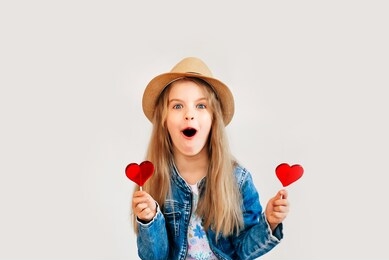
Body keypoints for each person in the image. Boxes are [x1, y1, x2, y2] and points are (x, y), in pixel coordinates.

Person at [131, 57, 289, 260]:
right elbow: (155, 257)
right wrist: (150, 219)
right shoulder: (152, 180)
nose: (189, 114)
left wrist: (270, 222)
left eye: (201, 106)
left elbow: (244, 251)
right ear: (164, 120)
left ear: (214, 120)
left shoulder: (237, 180)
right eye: (178, 106)